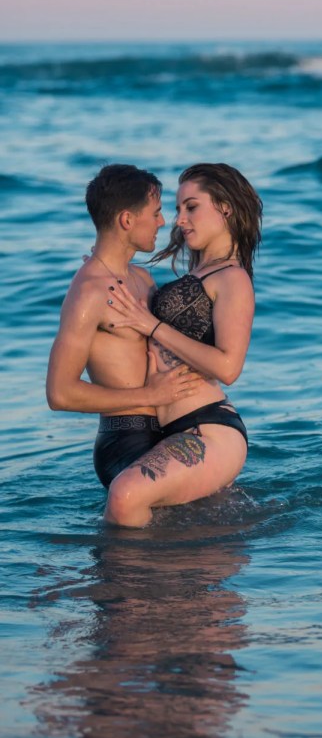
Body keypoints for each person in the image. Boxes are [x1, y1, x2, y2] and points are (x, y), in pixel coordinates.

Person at [102, 163, 262, 527]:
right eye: (177, 210)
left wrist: (153, 325)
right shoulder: (200, 272)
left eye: (191, 207)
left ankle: (119, 582)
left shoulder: (233, 278)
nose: (179, 220)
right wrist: (104, 270)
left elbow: (228, 367)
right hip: (172, 428)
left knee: (125, 496)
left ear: (225, 208)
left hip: (207, 427)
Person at [46, 164, 203, 489]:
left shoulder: (141, 278)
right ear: (127, 220)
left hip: (165, 428)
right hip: (124, 440)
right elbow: (60, 393)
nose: (163, 222)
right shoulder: (89, 292)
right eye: (156, 213)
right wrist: (149, 394)